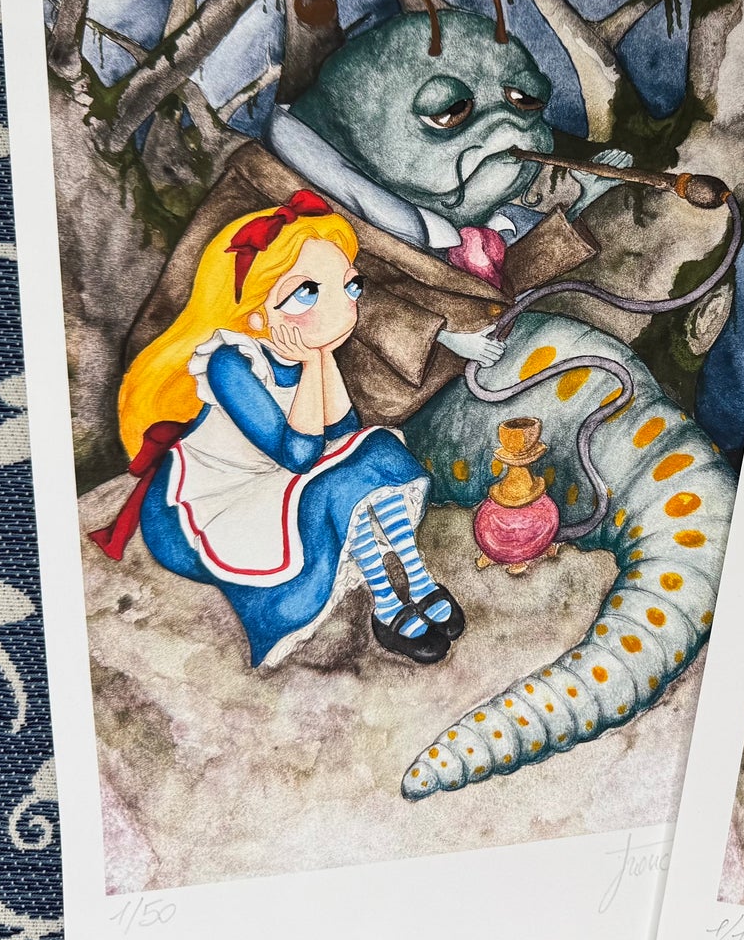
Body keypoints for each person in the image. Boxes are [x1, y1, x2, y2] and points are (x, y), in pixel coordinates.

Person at [90, 190, 465, 670]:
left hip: (278, 473)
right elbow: (302, 455)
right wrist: (313, 359)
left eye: (350, 286)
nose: (345, 307)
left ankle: (419, 578)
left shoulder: (304, 352)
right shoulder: (229, 363)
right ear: (255, 311)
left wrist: (320, 358)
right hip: (212, 503)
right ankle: (387, 604)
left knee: (374, 451)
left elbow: (343, 434)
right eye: (307, 293)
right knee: (340, 482)